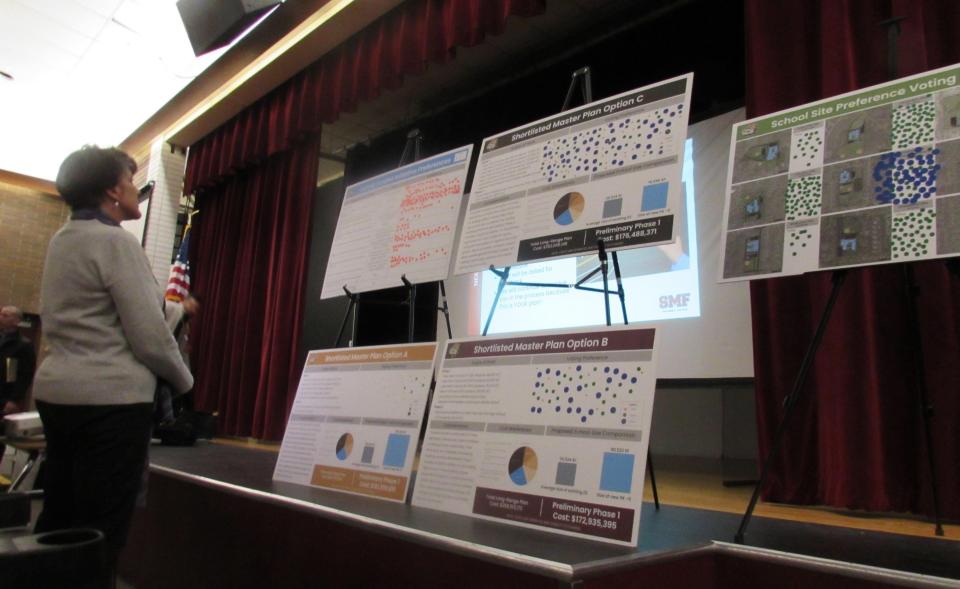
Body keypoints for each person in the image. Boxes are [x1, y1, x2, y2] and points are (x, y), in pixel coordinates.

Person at [32, 145, 193, 564]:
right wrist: (183, 382)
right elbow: (150, 336)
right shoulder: (115, 243)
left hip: (57, 395)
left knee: (60, 518)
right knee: (100, 531)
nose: (134, 187)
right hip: (110, 404)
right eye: (129, 179)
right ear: (110, 191)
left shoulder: (62, 240)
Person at [0, 305, 35, 417]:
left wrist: (14, 400)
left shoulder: (23, 345)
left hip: (4, 395)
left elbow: (24, 375)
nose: (0, 317)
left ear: (16, 321)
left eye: (5, 315)